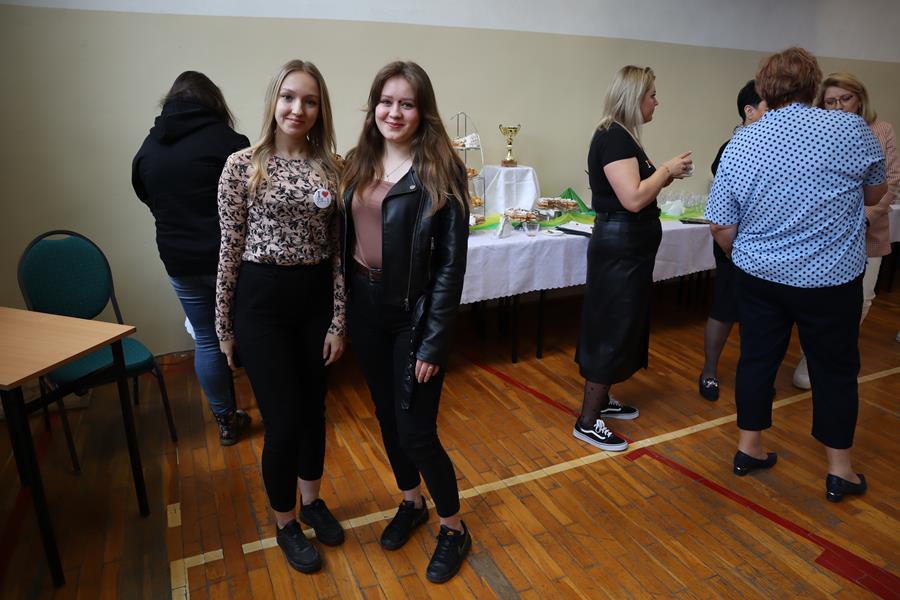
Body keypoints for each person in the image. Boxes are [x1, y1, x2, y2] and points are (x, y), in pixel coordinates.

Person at [705, 47, 886, 502]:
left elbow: (721, 224)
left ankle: (748, 448)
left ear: (764, 88)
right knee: (835, 370)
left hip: (760, 277)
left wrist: (744, 255)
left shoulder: (743, 141)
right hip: (832, 279)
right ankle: (839, 470)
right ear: (813, 84)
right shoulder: (852, 128)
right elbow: (875, 193)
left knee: (757, 360)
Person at [341, 61, 471, 583]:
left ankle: (454, 528)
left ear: (422, 112)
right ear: (374, 105)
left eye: (407, 104)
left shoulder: (440, 170)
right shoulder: (357, 161)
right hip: (365, 309)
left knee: (416, 428)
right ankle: (411, 501)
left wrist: (434, 343)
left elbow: (451, 265)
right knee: (387, 418)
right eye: (386, 101)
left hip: (413, 318)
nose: (394, 112)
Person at [215, 60, 346, 572]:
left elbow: (338, 253)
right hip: (261, 304)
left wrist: (338, 321)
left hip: (314, 300)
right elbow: (229, 249)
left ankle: (311, 502)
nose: (298, 109)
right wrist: (224, 326)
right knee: (284, 419)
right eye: (289, 97)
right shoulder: (242, 165)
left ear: (320, 109)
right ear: (274, 100)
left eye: (309, 101)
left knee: (314, 411)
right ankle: (286, 521)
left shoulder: (333, 168)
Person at [574, 65, 693, 451]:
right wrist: (666, 169)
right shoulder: (614, 137)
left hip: (628, 247)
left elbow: (636, 190)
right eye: (652, 94)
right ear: (634, 97)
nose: (657, 101)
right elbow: (634, 198)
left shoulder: (622, 136)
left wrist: (665, 175)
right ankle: (587, 421)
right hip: (620, 248)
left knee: (622, 323)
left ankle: (602, 400)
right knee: (612, 326)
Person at [132, 71, 251, 445]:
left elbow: (145, 194)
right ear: (214, 101)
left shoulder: (149, 147)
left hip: (179, 260)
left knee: (206, 339)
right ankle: (278, 412)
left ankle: (226, 421)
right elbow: (252, 201)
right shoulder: (229, 143)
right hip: (231, 261)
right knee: (253, 333)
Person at [787, 73, 900, 388]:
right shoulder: (816, 134)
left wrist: (864, 217)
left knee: (862, 298)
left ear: (859, 99)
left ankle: (835, 353)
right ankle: (811, 356)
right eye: (830, 101)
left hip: (869, 229)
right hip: (827, 235)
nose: (838, 107)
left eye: (845, 99)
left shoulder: (881, 130)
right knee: (820, 301)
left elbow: (891, 180)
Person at [699, 80, 767, 401]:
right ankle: (709, 371)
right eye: (769, 107)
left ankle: (755, 377)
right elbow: (724, 213)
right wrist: (732, 249)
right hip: (732, 241)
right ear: (749, 111)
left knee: (762, 314)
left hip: (764, 244)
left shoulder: (776, 146)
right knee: (726, 307)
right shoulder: (732, 148)